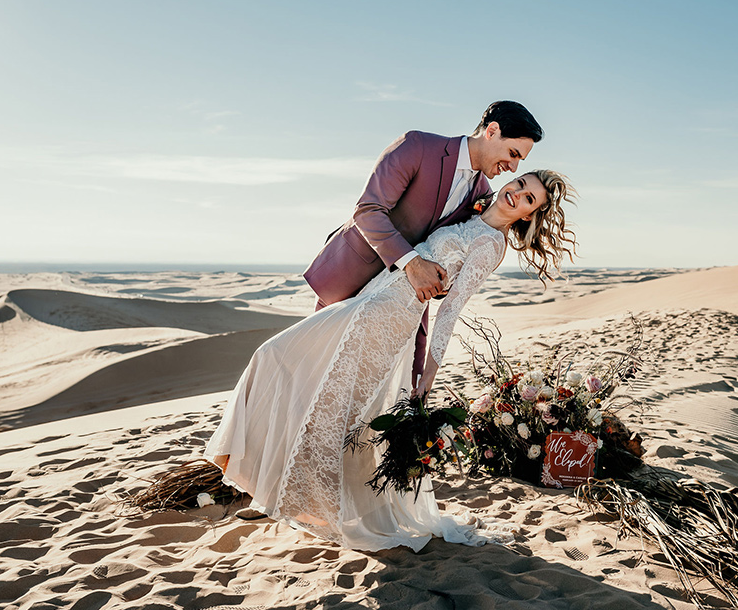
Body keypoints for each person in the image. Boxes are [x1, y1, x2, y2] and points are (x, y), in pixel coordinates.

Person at [205, 170, 576, 552]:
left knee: (328, 401)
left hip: (387, 317)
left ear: (529, 216)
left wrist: (428, 372)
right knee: (290, 369)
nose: (517, 194)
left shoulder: (490, 244)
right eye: (519, 184)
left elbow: (451, 309)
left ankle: (309, 505)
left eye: (529, 198)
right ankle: (284, 494)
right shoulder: (471, 216)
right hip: (371, 299)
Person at [303, 101, 544, 382]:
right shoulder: (418, 146)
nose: (513, 166)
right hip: (351, 281)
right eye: (513, 153)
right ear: (492, 131)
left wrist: (442, 278)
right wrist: (413, 264)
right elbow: (368, 210)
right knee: (314, 378)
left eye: (519, 161)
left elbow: (450, 258)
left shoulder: (484, 196)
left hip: (401, 313)